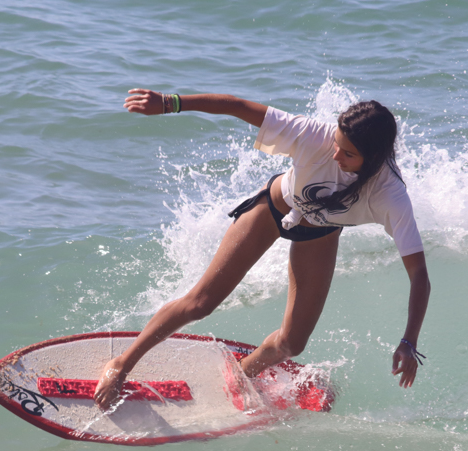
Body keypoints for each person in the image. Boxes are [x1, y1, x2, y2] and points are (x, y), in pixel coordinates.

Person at [93, 89, 430, 411]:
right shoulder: (315, 136)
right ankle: (122, 363)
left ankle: (241, 373)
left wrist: (408, 341)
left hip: (320, 233)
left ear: (373, 158)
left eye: (347, 153)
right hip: (272, 211)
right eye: (337, 145)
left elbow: (419, 276)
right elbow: (237, 106)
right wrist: (170, 103)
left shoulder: (390, 195)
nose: (335, 154)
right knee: (200, 303)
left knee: (293, 343)